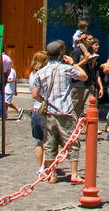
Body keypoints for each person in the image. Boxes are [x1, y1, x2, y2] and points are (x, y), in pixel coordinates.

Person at [32, 40, 86, 183]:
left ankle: (52, 174)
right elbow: (83, 76)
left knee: (50, 143)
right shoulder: (65, 69)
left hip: (50, 112)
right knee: (72, 142)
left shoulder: (41, 72)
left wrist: (45, 100)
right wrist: (73, 62)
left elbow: (34, 94)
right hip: (65, 111)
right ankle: (74, 174)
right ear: (61, 53)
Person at [27, 50, 49, 175]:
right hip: (43, 109)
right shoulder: (43, 75)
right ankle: (45, 167)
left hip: (35, 110)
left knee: (39, 141)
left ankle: (39, 166)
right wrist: (44, 100)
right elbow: (36, 94)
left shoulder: (31, 74)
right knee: (47, 141)